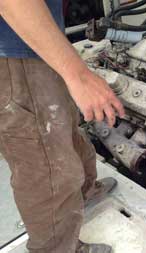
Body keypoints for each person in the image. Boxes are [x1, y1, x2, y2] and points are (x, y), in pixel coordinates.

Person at [0, 0, 126, 252]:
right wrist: (78, 74)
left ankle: (83, 193)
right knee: (45, 163)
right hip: (13, 53)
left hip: (39, 42)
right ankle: (56, 248)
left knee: (65, 127)